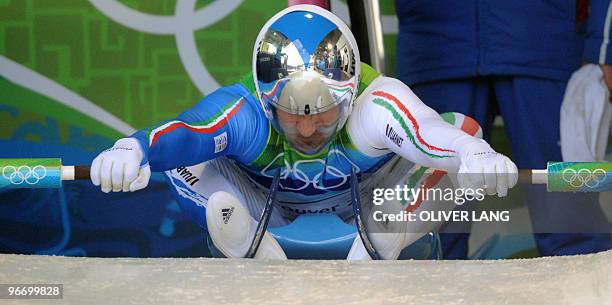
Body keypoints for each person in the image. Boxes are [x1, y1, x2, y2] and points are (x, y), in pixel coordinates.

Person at [89, 5, 518, 259]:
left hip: (369, 211)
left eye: (327, 113)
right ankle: (247, 244)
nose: (310, 128)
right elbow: (188, 131)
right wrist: (135, 147)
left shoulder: (377, 101)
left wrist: (471, 151)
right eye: (291, 114)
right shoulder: (243, 110)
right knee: (187, 160)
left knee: (463, 129)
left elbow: (425, 130)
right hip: (265, 217)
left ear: (350, 96)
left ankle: (387, 234)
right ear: (264, 98)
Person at [395, 0, 612, 258]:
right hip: (434, 49)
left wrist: (604, 47)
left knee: (573, 229)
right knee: (426, 237)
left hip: (543, 44)